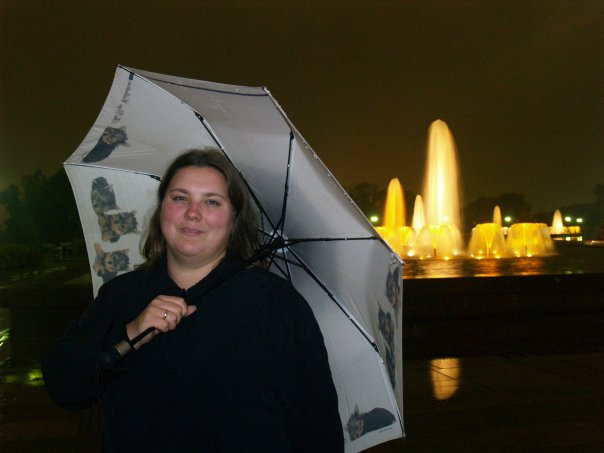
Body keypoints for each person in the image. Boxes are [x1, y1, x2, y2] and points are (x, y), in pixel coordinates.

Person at [42, 148, 344, 452]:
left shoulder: (277, 305)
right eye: (179, 198)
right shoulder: (120, 295)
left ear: (234, 218)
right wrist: (129, 334)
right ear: (161, 209)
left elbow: (317, 429)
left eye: (212, 202)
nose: (192, 213)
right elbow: (65, 388)